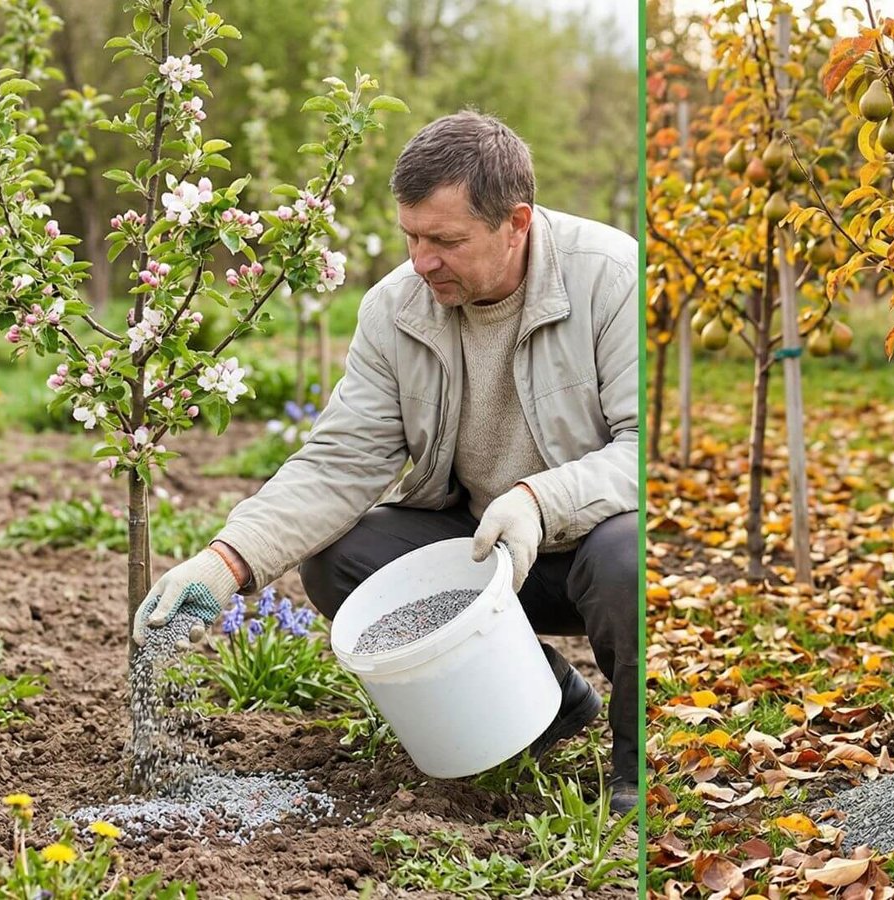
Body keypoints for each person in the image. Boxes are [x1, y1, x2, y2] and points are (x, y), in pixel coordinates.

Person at [132, 111, 639, 815]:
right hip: (483, 549)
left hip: (592, 548)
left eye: (446, 240)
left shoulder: (611, 279)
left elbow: (644, 452)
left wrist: (537, 499)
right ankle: (549, 700)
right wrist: (228, 561)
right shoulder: (396, 309)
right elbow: (341, 459)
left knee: (631, 557)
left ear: (516, 221)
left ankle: (633, 768)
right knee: (342, 557)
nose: (422, 260)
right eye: (411, 236)